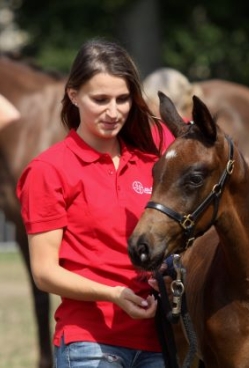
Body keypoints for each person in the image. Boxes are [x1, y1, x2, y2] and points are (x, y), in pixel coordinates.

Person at [16, 38, 175, 368]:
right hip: (89, 343)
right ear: (73, 95)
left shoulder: (152, 162)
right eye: (100, 99)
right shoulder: (48, 170)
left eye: (123, 99)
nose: (114, 111)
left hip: (160, 339)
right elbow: (45, 273)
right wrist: (113, 294)